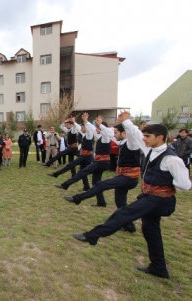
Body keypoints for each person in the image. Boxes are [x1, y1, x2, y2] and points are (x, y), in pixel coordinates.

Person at [72, 114, 191, 279]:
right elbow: (134, 134)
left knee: (123, 213)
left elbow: (184, 184)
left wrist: (165, 188)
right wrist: (126, 122)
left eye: (148, 136)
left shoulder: (171, 159)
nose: (144, 139)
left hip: (159, 199)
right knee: (151, 231)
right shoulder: (150, 150)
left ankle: (92, 236)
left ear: (160, 137)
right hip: (151, 197)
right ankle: (159, 267)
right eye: (144, 135)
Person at [64, 119, 141, 232]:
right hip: (123, 176)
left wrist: (126, 122)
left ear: (124, 133)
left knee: (101, 185)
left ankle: (78, 198)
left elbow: (133, 133)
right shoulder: (122, 142)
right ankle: (129, 226)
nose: (113, 134)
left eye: (115, 132)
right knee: (120, 203)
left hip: (129, 178)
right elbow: (108, 133)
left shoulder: (132, 143)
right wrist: (88, 122)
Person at [53, 114, 113, 207]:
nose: (95, 129)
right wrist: (83, 121)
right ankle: (101, 202)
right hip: (100, 162)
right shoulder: (101, 136)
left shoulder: (106, 138)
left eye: (97, 127)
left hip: (102, 162)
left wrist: (99, 124)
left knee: (83, 172)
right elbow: (91, 129)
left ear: (102, 128)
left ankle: (66, 185)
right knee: (96, 183)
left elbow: (95, 130)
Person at [51, 116, 94, 191]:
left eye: (83, 128)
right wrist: (67, 122)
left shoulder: (89, 134)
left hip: (86, 156)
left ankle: (62, 178)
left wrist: (77, 122)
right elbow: (76, 128)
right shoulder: (83, 134)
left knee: (73, 166)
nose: (81, 129)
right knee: (81, 171)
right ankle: (86, 186)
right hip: (83, 155)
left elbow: (77, 128)